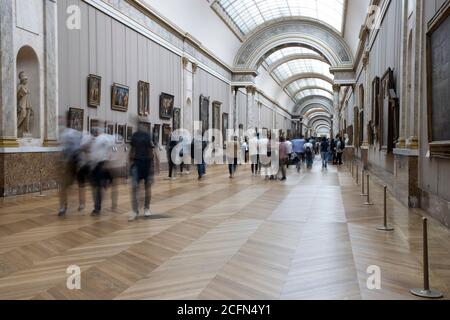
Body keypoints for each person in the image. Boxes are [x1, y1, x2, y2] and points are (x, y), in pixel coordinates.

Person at [128, 122, 155, 221]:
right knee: (134, 187)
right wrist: (129, 164)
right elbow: (132, 150)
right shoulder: (134, 136)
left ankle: (146, 207)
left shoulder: (148, 136)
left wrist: (152, 167)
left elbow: (151, 151)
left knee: (147, 187)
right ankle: (135, 211)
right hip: (136, 163)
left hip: (146, 164)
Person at [88, 128, 115, 216]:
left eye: (95, 132)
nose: (93, 134)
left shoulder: (103, 138)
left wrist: (108, 158)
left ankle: (97, 207)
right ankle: (97, 205)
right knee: (95, 186)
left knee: (97, 187)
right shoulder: (92, 141)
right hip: (94, 166)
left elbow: (110, 145)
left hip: (101, 164)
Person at [57, 126, 82, 217]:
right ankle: (63, 206)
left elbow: (74, 153)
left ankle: (64, 206)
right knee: (64, 187)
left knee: (65, 187)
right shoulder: (69, 137)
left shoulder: (72, 136)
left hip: (71, 165)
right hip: (69, 165)